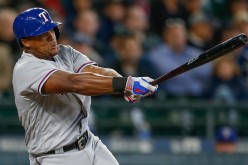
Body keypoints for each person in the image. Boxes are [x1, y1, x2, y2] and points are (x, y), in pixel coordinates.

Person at [12, 8, 158, 165]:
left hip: (90, 142)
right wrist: (126, 84)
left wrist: (126, 85)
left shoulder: (65, 52)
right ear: (26, 42)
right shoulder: (26, 69)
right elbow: (76, 83)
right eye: (42, 34)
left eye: (51, 29)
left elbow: (98, 71)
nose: (51, 37)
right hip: (55, 156)